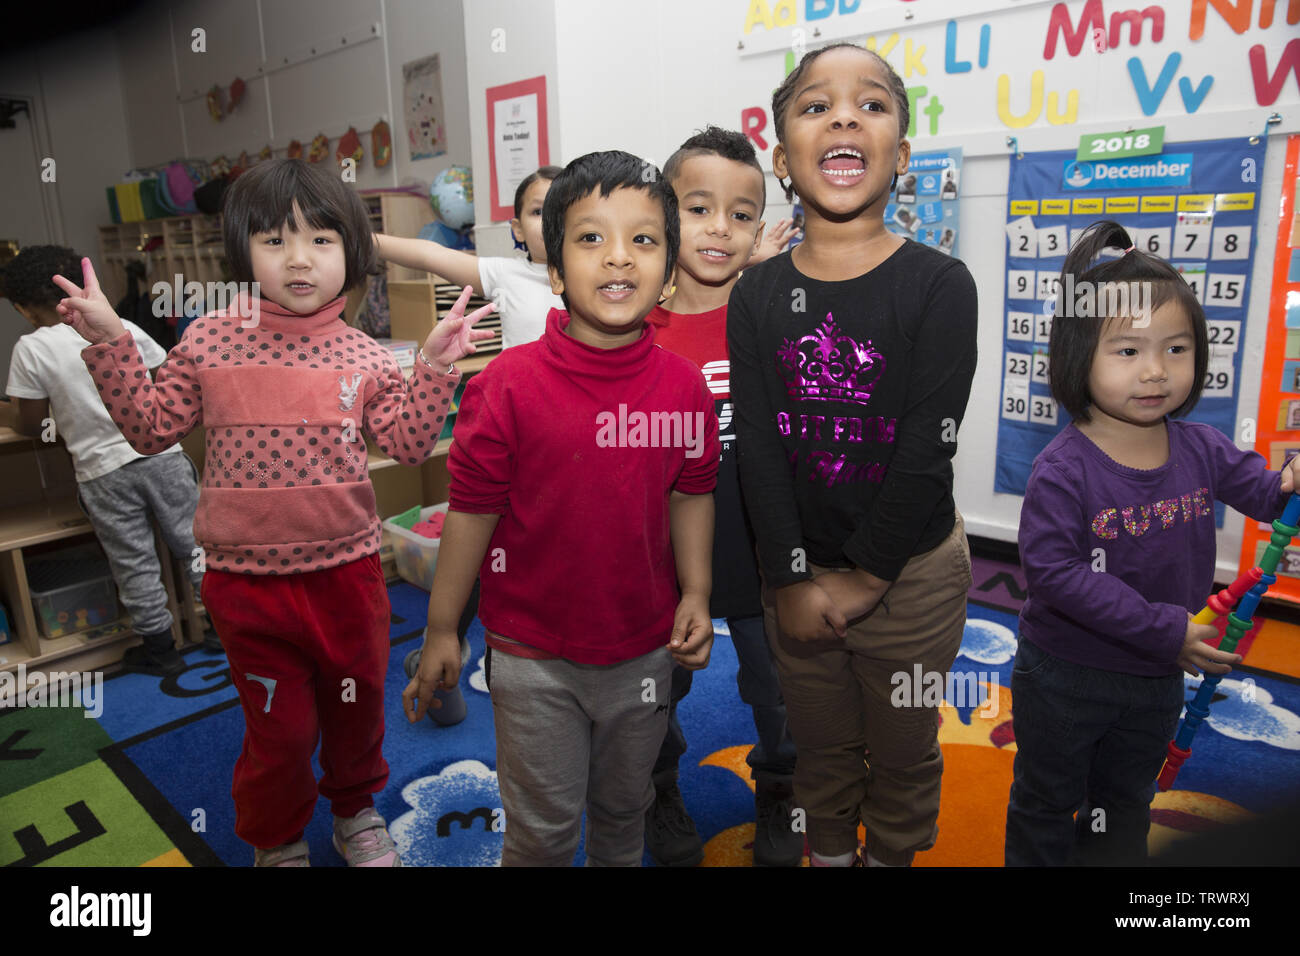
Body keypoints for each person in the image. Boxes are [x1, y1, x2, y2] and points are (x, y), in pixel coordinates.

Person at [53, 158, 493, 868]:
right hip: (247, 586)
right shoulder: (206, 340)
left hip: (347, 578)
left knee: (354, 712)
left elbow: (410, 446)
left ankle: (354, 810)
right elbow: (149, 429)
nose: (299, 259)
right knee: (279, 731)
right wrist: (110, 340)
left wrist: (435, 367)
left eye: (321, 240)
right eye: (275, 240)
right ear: (242, 251)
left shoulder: (365, 354)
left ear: (352, 249)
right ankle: (277, 835)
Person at [403, 150, 719, 867]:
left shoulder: (684, 389)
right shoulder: (507, 388)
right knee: (542, 831)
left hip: (643, 650)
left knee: (622, 811)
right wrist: (443, 627)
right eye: (589, 238)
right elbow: (472, 512)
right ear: (552, 271)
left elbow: (691, 491)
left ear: (670, 273)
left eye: (643, 239)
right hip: (531, 656)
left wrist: (696, 590)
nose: (617, 257)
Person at [728, 43, 978, 868]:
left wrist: (866, 576)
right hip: (795, 582)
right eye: (815, 105)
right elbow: (757, 448)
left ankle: (892, 856)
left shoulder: (941, 285)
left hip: (909, 577)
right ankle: (830, 852)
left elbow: (924, 452)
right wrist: (795, 577)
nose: (843, 114)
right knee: (822, 747)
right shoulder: (757, 294)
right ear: (782, 155)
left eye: (870, 105)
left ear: (901, 155)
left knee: (905, 751)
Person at [1005, 220, 1298, 866]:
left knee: (1126, 802)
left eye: (1176, 349)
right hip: (1067, 675)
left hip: (1158, 675)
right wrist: (1164, 629)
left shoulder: (1200, 446)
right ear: (1079, 354)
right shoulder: (1063, 467)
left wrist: (1288, 483)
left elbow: (1265, 493)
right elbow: (1056, 575)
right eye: (1129, 351)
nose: (1156, 372)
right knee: (1048, 801)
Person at [644, 126, 800, 867]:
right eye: (698, 208)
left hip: (768, 548)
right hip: (663, 556)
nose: (720, 229)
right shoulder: (632, 326)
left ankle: (781, 789)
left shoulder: (774, 315)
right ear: (664, 215)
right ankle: (655, 789)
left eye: (741, 214)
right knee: (653, 694)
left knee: (781, 691)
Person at [2, 245, 208, 675]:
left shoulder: (31, 348)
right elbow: (161, 388)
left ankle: (160, 648)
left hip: (103, 473)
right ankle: (227, 629)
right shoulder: (121, 326)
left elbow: (30, 423)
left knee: (133, 560)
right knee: (195, 546)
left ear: (22, 307)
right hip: (163, 456)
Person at [375, 166, 562, 349]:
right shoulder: (503, 273)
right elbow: (429, 255)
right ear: (518, 229)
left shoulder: (588, 276)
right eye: (538, 212)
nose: (549, 220)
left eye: (560, 209)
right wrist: (362, 239)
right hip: (520, 379)